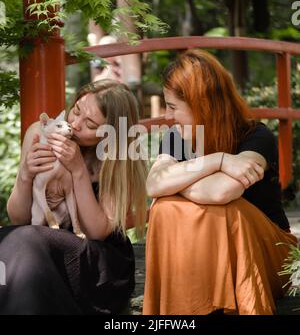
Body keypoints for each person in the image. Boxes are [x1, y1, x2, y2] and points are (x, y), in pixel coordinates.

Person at [143, 49, 298, 315]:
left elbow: (222, 192)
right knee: (164, 207)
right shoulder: (176, 137)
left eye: (173, 107)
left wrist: (178, 183)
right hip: (212, 254)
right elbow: (154, 184)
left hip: (269, 257)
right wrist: (220, 160)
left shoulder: (256, 136)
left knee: (224, 209)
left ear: (201, 104)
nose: (168, 117)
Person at [0, 79, 148, 314]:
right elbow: (18, 218)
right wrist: (26, 175)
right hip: (38, 247)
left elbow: (97, 231)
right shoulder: (40, 134)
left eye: (89, 123)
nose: (74, 124)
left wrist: (78, 169)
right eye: (76, 111)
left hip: (98, 264)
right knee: (15, 241)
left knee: (24, 241)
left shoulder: (119, 157)